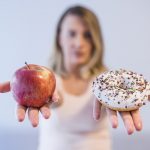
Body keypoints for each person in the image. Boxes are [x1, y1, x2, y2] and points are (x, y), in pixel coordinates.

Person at [0, 5, 145, 150]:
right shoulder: (49, 81)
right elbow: (57, 99)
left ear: (95, 41)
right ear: (59, 38)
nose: (79, 43)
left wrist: (126, 96)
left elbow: (110, 93)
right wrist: (41, 93)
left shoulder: (105, 84)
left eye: (87, 35)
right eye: (72, 33)